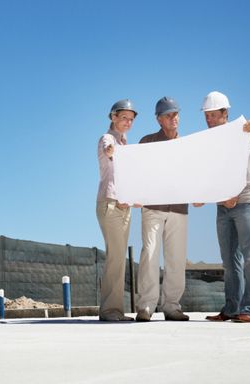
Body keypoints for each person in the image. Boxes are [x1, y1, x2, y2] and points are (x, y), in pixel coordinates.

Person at [201, 91, 250, 323]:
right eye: (206, 116)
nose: (208, 119)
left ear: (225, 113)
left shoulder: (242, 129)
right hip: (223, 205)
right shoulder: (209, 141)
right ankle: (231, 308)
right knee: (229, 261)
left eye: (212, 115)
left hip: (246, 200)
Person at [135, 97, 190, 322]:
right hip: (153, 208)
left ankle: (172, 306)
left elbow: (194, 175)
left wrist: (198, 195)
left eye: (175, 114)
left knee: (176, 258)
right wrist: (135, 195)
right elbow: (136, 171)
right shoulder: (146, 142)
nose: (173, 118)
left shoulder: (188, 145)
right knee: (149, 254)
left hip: (178, 208)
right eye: (168, 115)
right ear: (159, 119)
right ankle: (146, 306)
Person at [96, 99, 139, 321]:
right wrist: (113, 151)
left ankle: (115, 310)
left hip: (124, 205)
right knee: (115, 257)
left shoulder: (125, 144)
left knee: (119, 257)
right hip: (110, 204)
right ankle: (109, 311)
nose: (127, 122)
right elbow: (108, 151)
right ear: (113, 117)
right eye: (124, 118)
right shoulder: (108, 139)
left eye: (131, 120)